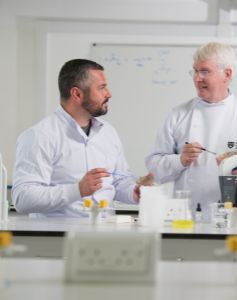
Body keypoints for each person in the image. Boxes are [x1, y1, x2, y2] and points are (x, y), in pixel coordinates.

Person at [145, 42, 237, 222]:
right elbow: (154, 167)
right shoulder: (178, 115)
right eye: (195, 71)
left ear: (227, 74)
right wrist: (180, 160)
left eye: (205, 71)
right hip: (187, 219)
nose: (197, 78)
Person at [12, 59, 150, 217]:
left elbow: (118, 182)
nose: (109, 94)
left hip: (106, 234)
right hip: (56, 238)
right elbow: (23, 199)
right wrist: (77, 190)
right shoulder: (40, 136)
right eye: (102, 88)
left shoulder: (108, 132)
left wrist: (134, 191)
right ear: (77, 94)